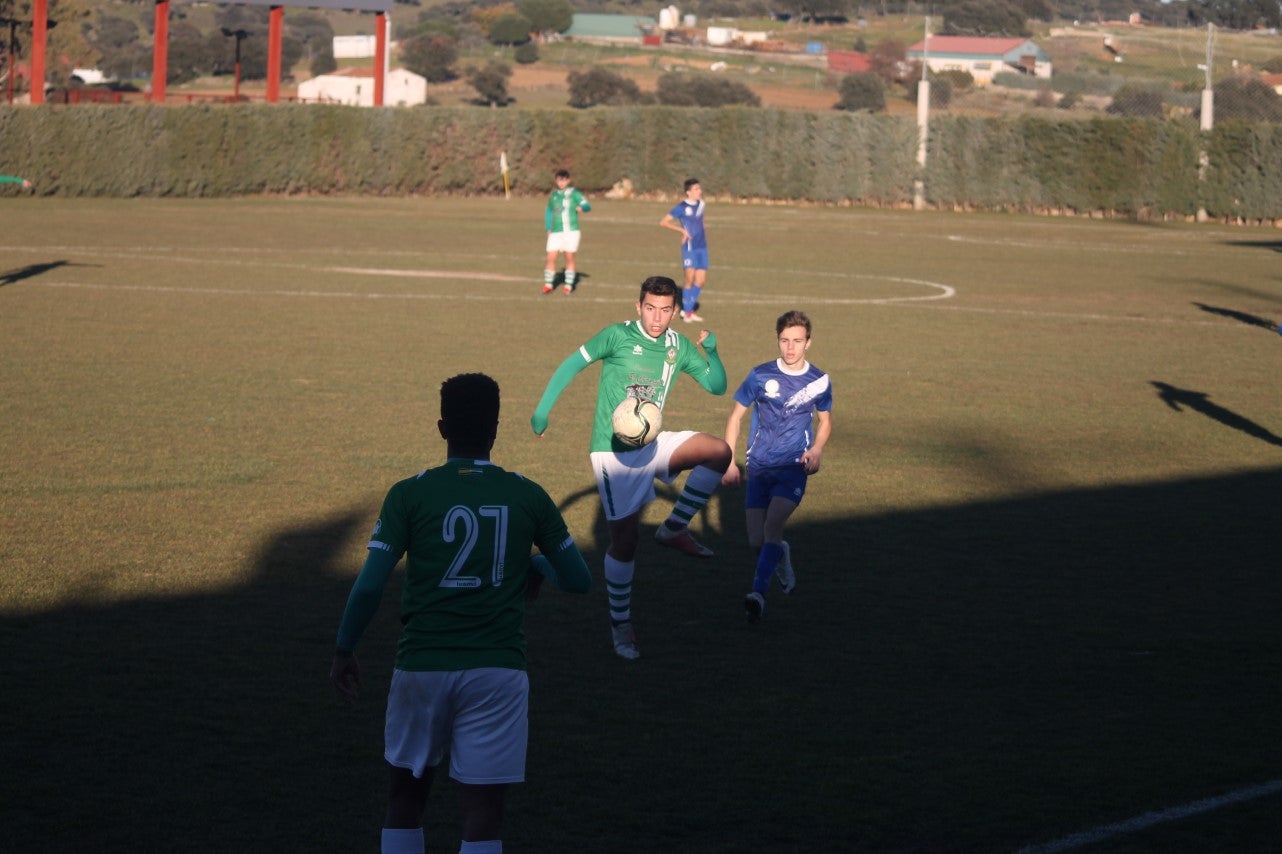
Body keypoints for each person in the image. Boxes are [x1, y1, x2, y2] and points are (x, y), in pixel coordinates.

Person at [330, 372, 591, 854]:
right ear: (495, 428)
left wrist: (345, 648)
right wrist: (533, 562)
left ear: (441, 427)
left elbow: (369, 586)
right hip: (497, 671)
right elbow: (577, 579)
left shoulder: (409, 494)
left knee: (406, 798)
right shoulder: (528, 495)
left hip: (422, 667)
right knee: (483, 814)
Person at [531, 275, 732, 660]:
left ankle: (674, 529)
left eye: (666, 310)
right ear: (638, 306)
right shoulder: (616, 336)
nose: (657, 318)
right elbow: (571, 365)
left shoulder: (678, 345)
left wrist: (714, 352)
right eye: (650, 308)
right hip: (613, 455)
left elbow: (716, 386)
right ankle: (621, 625)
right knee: (625, 544)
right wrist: (542, 412)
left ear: (675, 311)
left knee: (718, 452)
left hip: (652, 443)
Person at [721, 310, 832, 623]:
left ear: (808, 342)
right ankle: (780, 552)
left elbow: (825, 421)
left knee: (772, 526)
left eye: (797, 341)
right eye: (785, 340)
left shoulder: (819, 381)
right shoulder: (759, 375)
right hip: (758, 466)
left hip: (793, 466)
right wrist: (729, 460)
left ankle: (757, 594)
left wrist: (818, 450)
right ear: (778, 340)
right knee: (758, 542)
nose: (791, 347)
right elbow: (734, 417)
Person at [659, 177, 709, 323]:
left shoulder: (701, 204)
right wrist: (682, 231)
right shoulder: (681, 207)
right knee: (689, 279)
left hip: (702, 247)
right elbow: (664, 222)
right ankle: (687, 312)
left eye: (699, 189)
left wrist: (701, 226)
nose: (699, 191)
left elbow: (700, 219)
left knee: (700, 281)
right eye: (696, 189)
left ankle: (688, 311)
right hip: (689, 248)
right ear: (688, 192)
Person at [543, 169, 590, 295]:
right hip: (555, 232)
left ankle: (568, 286)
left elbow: (587, 205)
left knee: (569, 257)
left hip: (571, 232)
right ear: (556, 180)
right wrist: (548, 228)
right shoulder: (554, 195)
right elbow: (549, 211)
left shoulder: (574, 194)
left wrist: (582, 208)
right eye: (559, 180)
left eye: (564, 180)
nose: (561, 182)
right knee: (550, 257)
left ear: (568, 180)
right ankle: (548, 285)